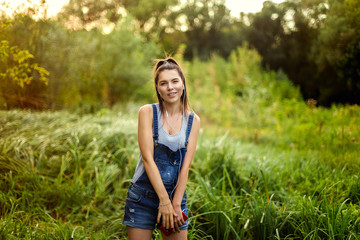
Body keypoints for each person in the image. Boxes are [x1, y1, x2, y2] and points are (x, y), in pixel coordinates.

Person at [123, 57, 200, 240]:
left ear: (183, 83)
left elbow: (185, 166)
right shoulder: (147, 113)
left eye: (175, 81)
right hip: (143, 197)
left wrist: (175, 203)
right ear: (158, 88)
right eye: (164, 83)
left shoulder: (193, 121)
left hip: (175, 198)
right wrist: (163, 201)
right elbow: (148, 159)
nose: (170, 87)